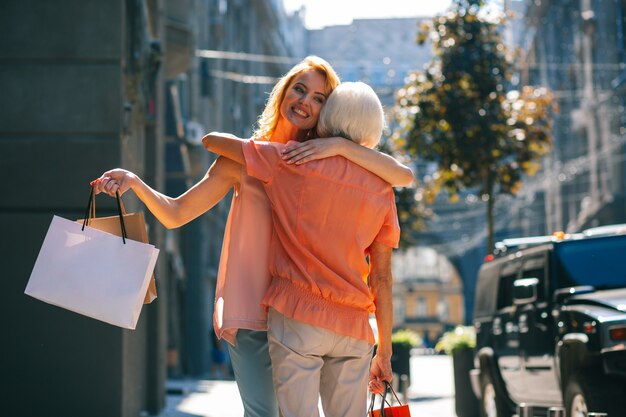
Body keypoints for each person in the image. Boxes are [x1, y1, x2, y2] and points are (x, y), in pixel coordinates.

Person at [92, 56, 412, 417]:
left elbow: (400, 175)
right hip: (252, 307)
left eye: (320, 98)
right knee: (263, 413)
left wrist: (339, 147)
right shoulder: (244, 158)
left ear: (330, 110)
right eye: (299, 90)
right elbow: (176, 213)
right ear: (283, 93)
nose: (306, 102)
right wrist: (135, 183)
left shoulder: (330, 166)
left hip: (305, 309)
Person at [201, 81, 399, 417]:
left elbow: (211, 142)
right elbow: (381, 278)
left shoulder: (292, 162)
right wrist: (385, 353)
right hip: (354, 326)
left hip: (298, 316)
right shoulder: (382, 187)